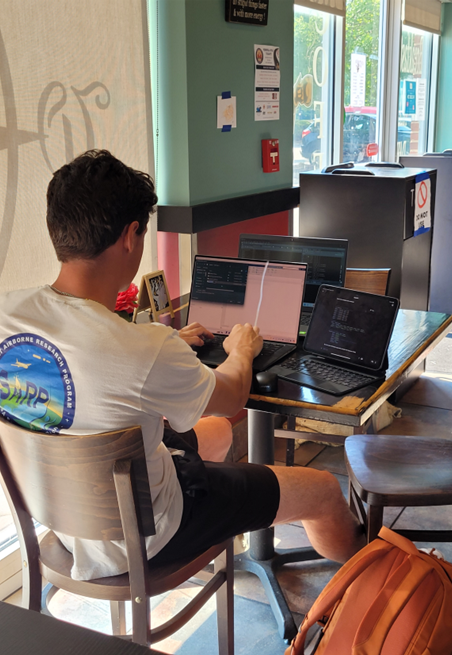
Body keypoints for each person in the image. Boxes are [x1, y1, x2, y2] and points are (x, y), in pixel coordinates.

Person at [0, 150, 364, 581]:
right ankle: (378, 581)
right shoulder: (143, 348)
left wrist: (164, 343)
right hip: (150, 533)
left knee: (216, 433)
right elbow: (229, 395)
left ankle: (231, 510)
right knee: (322, 489)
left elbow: (93, 359)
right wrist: (241, 351)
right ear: (131, 236)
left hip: (62, 521)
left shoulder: (8, 313)